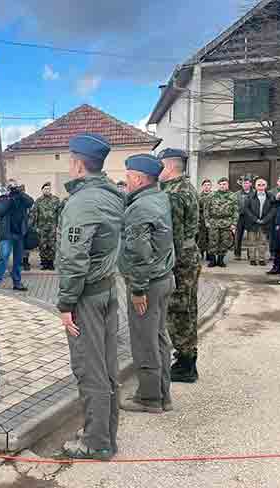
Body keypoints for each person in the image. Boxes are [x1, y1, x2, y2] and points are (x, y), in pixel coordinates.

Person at [57, 134, 124, 461]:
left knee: (90, 369)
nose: (69, 165)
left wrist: (66, 303)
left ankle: (96, 442)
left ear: (79, 164)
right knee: (108, 366)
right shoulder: (112, 195)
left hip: (86, 295)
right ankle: (106, 433)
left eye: (70, 160)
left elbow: (74, 258)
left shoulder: (82, 201)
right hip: (108, 289)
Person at [119, 154, 175, 414]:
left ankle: (149, 398)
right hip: (163, 278)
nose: (126, 180)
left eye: (129, 176)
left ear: (140, 179)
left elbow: (140, 253)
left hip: (148, 284)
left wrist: (138, 288)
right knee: (160, 337)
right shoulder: (159, 197)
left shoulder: (139, 208)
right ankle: (163, 394)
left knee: (144, 340)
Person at [158, 148, 201, 383]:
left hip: (179, 260)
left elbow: (171, 235)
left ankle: (186, 365)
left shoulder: (174, 193)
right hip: (189, 255)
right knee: (188, 308)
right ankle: (187, 358)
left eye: (160, 166)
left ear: (170, 166)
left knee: (178, 311)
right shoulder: (188, 188)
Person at [0, 179, 34, 291]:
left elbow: (31, 202)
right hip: (7, 234)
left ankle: (17, 283)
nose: (13, 188)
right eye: (11, 186)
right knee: (3, 257)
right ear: (7, 188)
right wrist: (9, 198)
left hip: (19, 233)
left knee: (18, 260)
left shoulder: (21, 198)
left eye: (14, 186)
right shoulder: (3, 198)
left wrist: (19, 193)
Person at [204, 178, 238, 268]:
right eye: (221, 184)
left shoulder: (232, 196)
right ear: (218, 185)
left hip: (227, 222)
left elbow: (236, 210)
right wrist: (207, 221)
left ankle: (220, 260)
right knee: (212, 241)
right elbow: (206, 209)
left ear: (227, 185)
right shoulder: (212, 195)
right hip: (213, 222)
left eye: (224, 184)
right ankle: (212, 260)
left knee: (224, 242)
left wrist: (234, 223)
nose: (223, 186)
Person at [243, 178, 276, 266]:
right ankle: (252, 259)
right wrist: (255, 219)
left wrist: (265, 219)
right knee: (251, 242)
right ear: (255, 186)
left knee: (263, 242)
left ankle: (261, 259)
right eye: (259, 185)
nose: (261, 187)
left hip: (265, 223)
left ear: (266, 186)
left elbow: (273, 209)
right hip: (252, 223)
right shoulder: (250, 196)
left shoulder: (270, 196)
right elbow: (246, 209)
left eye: (263, 185)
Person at [29, 182, 62, 270]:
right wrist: (33, 226)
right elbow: (34, 214)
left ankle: (51, 263)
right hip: (41, 227)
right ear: (42, 190)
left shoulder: (56, 200)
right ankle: (44, 263)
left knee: (51, 245)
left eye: (48, 189)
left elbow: (60, 214)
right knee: (42, 245)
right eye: (45, 189)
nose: (47, 190)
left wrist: (60, 225)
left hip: (52, 227)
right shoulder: (38, 201)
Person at [234, 176, 254, 259]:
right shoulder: (237, 194)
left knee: (251, 237)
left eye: (247, 183)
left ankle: (250, 255)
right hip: (240, 217)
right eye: (243, 183)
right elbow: (234, 206)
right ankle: (237, 254)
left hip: (250, 217)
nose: (245, 184)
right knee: (238, 236)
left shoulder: (254, 193)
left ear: (250, 184)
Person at [198, 179, 213, 264]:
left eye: (208, 185)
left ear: (211, 186)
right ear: (202, 186)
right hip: (201, 220)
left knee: (210, 238)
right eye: (205, 185)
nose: (207, 186)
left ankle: (209, 254)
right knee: (201, 238)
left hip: (211, 220)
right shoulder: (199, 196)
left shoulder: (213, 196)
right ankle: (201, 254)